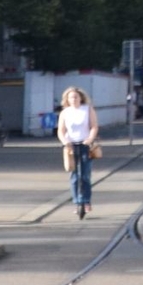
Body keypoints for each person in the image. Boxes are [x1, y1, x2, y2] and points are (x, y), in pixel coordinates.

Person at [56, 86, 100, 219]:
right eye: (70, 97)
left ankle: (86, 201)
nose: (73, 99)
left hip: (85, 145)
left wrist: (90, 139)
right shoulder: (65, 113)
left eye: (75, 97)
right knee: (74, 176)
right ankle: (77, 202)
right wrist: (65, 141)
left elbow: (94, 126)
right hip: (71, 146)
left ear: (81, 98)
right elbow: (61, 130)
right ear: (67, 99)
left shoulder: (87, 109)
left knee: (85, 174)